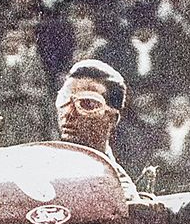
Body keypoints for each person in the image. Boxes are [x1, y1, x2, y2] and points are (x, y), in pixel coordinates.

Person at [54, 58, 140, 200]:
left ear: (112, 119)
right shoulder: (41, 168)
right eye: (64, 100)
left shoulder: (120, 192)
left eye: (87, 104)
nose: (69, 113)